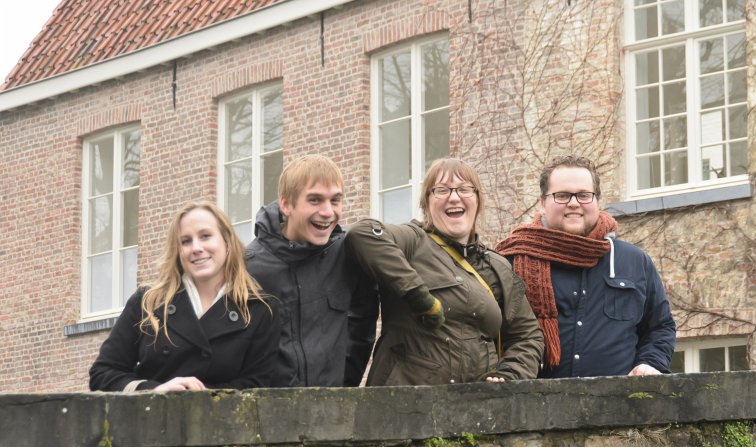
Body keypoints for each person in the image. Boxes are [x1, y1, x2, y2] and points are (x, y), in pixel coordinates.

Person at [345, 158, 544, 386]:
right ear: (427, 202)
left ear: (477, 200)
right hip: (404, 406)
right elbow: (363, 233)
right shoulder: (414, 241)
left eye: (464, 189)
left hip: (473, 407)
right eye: (441, 190)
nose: (454, 197)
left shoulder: (497, 267)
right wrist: (418, 296)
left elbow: (529, 336)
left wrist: (510, 374)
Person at [496, 155, 676, 378]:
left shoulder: (634, 262)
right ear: (543, 203)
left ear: (597, 201)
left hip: (620, 406)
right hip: (536, 406)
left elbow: (660, 326)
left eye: (583, 195)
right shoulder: (510, 263)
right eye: (562, 195)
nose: (573, 203)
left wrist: (651, 363)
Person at [89, 201, 279, 391]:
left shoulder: (259, 309)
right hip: (153, 417)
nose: (196, 247)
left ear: (227, 242)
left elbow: (257, 386)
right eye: (186, 241)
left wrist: (198, 399)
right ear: (177, 251)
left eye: (205, 236)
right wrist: (155, 390)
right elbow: (103, 374)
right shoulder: (147, 303)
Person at [246, 154, 378, 387]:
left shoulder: (350, 254)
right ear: (286, 204)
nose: (328, 212)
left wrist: (344, 387)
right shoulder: (249, 268)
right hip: (267, 414)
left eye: (335, 200)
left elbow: (362, 326)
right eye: (315, 200)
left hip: (334, 410)